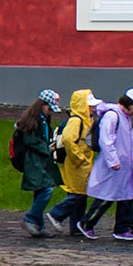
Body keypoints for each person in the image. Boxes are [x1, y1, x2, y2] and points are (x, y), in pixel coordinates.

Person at [82, 88, 133, 240]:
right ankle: (87, 223)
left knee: (125, 197)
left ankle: (122, 228)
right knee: (106, 197)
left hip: (122, 167)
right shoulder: (113, 116)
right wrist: (113, 161)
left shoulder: (122, 117)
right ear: (129, 104)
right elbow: (106, 140)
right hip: (114, 167)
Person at [14, 89, 65, 237]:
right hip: (34, 161)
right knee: (46, 189)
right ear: (42, 105)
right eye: (49, 108)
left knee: (40, 191)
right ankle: (30, 218)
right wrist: (47, 148)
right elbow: (31, 141)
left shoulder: (42, 119)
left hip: (42, 161)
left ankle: (39, 225)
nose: (51, 112)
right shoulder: (33, 121)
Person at [48, 90, 97, 237]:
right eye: (90, 105)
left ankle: (76, 227)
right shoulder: (76, 120)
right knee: (78, 193)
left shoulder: (86, 120)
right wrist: (79, 157)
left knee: (80, 194)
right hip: (78, 164)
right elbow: (69, 139)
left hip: (83, 163)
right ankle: (56, 214)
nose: (93, 108)